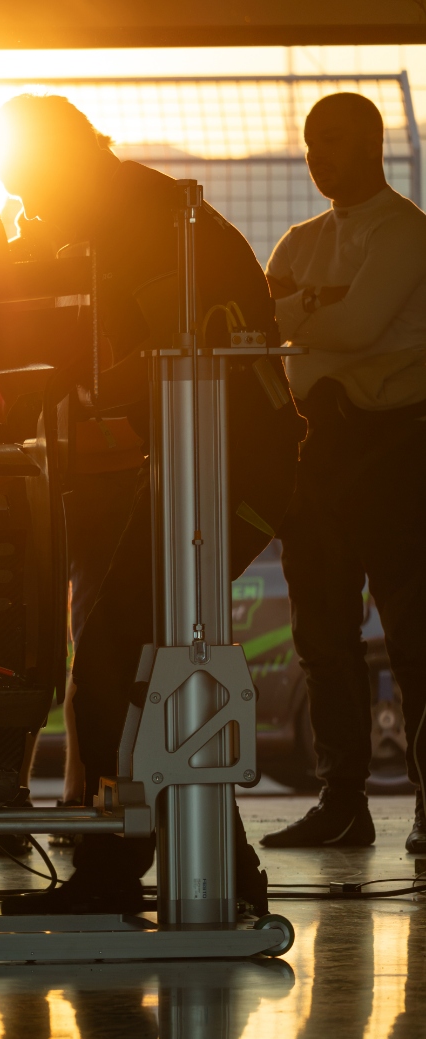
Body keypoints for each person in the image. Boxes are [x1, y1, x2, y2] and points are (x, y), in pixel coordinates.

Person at [0, 94, 305, 914]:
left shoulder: (147, 220)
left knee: (114, 664)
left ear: (58, 157)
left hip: (235, 468)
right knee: (152, 664)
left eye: (20, 172)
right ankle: (220, 867)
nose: (15, 191)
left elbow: (167, 354)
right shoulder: (105, 215)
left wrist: (54, 373)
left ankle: (126, 870)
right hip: (198, 464)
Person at [258, 92, 426, 852]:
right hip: (318, 449)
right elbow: (267, 328)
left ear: (372, 144)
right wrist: (319, 312)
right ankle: (341, 803)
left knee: (415, 637)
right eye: (310, 142)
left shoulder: (407, 233)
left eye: (332, 141)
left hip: (396, 450)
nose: (316, 155)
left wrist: (303, 313)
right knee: (322, 638)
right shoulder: (300, 239)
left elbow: (350, 329)